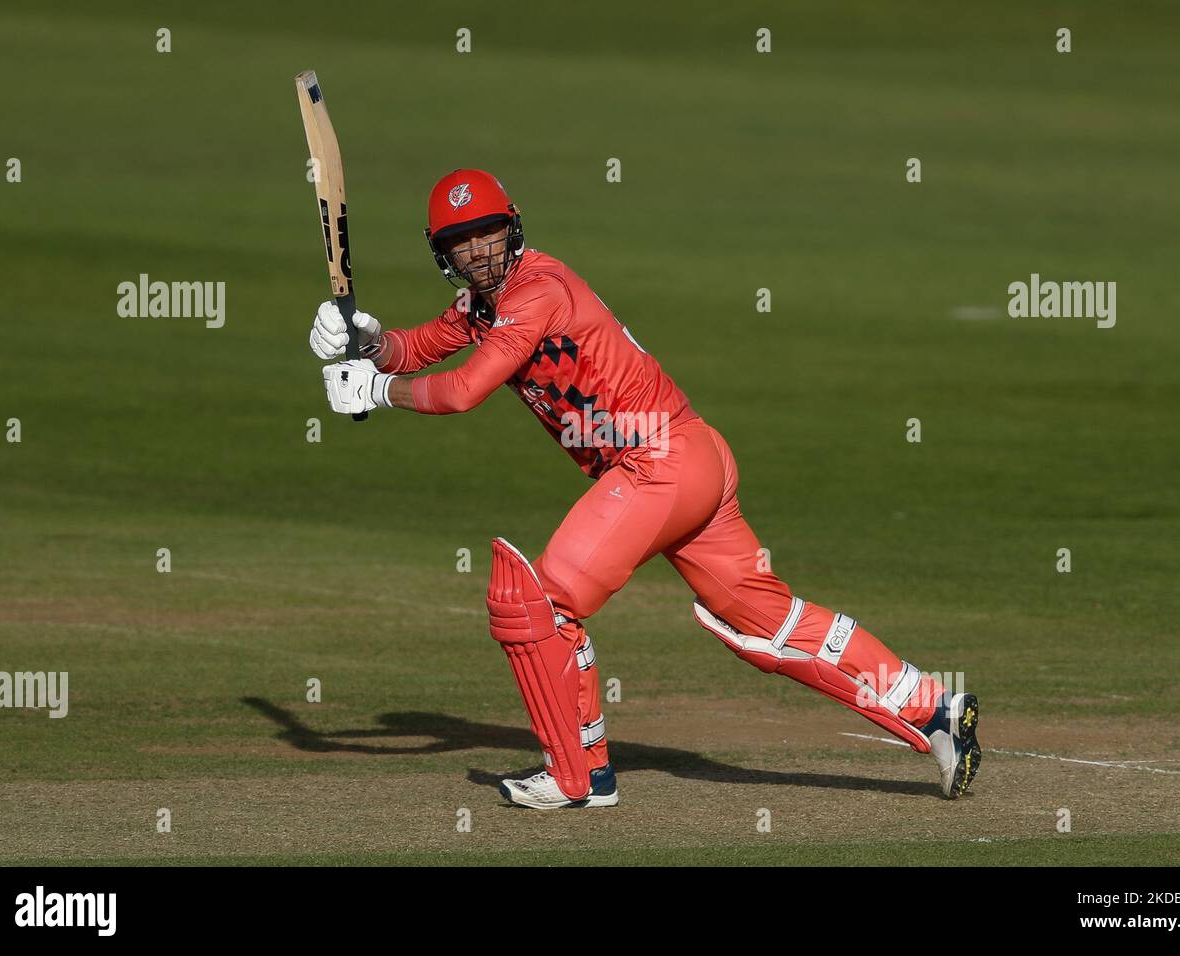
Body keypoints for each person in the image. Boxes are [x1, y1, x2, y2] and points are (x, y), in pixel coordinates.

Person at [312, 168, 981, 808]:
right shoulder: (481, 306)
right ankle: (934, 708)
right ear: (444, 255)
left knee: (542, 603)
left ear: (511, 230)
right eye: (461, 241)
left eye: (487, 233)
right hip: (691, 459)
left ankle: (579, 774)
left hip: (656, 462)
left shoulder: (536, 291)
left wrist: (376, 392)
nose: (477, 251)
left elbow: (461, 391)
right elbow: (423, 347)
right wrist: (370, 340)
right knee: (766, 625)